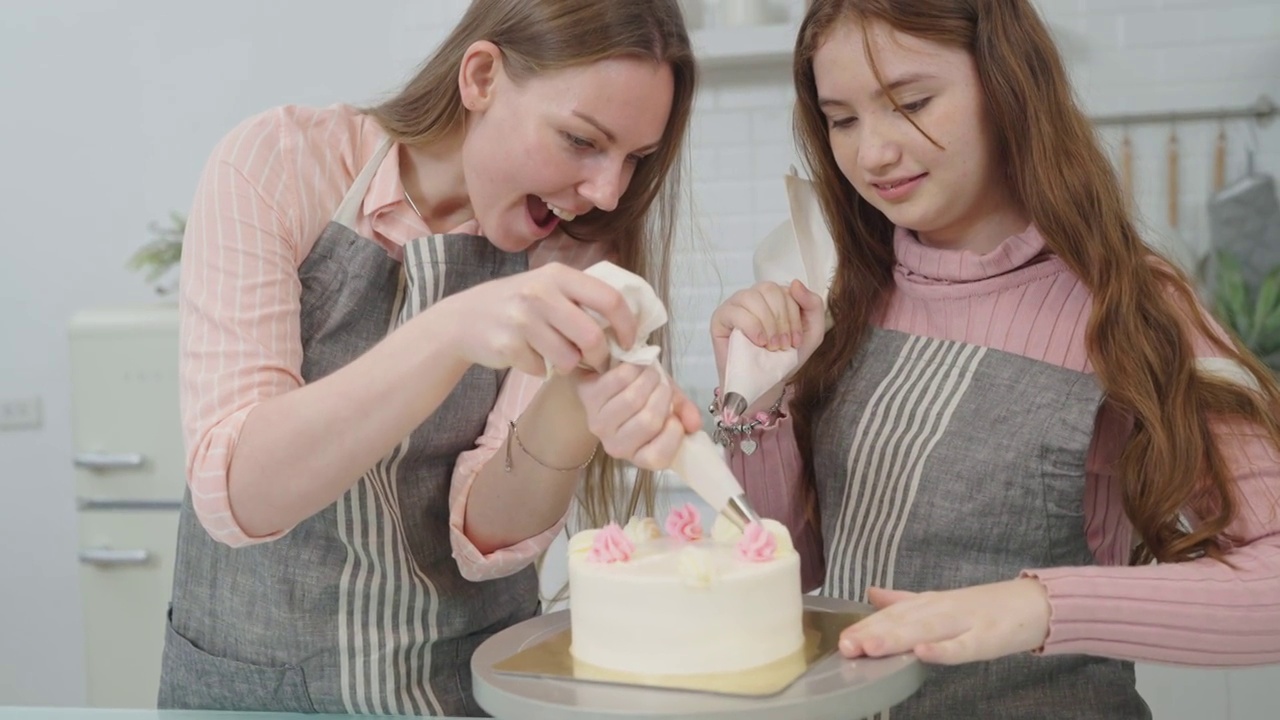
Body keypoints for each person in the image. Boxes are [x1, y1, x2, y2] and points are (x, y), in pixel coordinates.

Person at [710, 0, 1280, 717]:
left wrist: (1039, 605)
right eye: (842, 118)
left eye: (911, 102)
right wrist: (755, 399)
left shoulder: (1132, 303)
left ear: (1007, 85)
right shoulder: (840, 290)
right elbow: (788, 578)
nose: (872, 153)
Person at [159, 0, 701, 715]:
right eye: (580, 140)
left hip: (462, 686)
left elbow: (488, 534)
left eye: (634, 159)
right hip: (257, 683)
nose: (606, 192)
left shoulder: (582, 245)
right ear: (481, 77)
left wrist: (573, 399)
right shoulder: (281, 166)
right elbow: (241, 493)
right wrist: (449, 332)